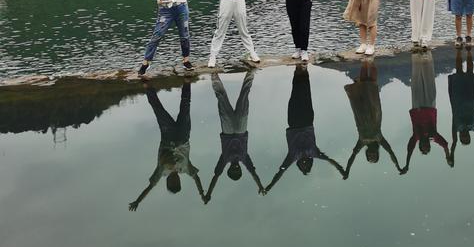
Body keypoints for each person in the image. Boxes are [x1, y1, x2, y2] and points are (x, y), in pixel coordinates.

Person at [264, 65, 345, 192]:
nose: (304, 163)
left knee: (295, 94)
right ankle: (304, 70)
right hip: (307, 120)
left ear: (299, 165)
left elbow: (281, 172)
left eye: (303, 166)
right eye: (307, 165)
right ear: (310, 162)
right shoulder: (314, 153)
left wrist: (269, 186)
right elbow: (330, 160)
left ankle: (298, 71)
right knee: (306, 93)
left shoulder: (293, 156)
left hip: (294, 122)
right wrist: (340, 170)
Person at [128, 82, 205, 210]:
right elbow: (196, 178)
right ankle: (186, 81)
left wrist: (138, 201)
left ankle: (147, 86)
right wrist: (202, 193)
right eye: (177, 182)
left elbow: (150, 187)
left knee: (158, 110)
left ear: (168, 182)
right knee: (186, 106)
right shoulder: (185, 169)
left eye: (172, 183)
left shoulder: (161, 172)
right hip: (183, 135)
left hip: (167, 135)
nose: (175, 180)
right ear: (179, 181)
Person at [205, 72, 264, 200]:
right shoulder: (244, 159)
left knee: (221, 98)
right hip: (241, 129)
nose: (236, 169)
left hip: (228, 130)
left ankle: (214, 75)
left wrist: (209, 193)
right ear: (241, 170)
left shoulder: (225, 159)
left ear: (230, 170)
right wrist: (259, 185)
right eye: (238, 171)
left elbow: (216, 176)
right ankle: (251, 72)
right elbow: (253, 172)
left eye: (234, 171)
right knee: (244, 95)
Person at [343, 60, 402, 177]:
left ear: (367, 155)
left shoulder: (362, 142)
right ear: (377, 154)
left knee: (364, 82)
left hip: (360, 109)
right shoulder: (379, 139)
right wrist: (398, 166)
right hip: (373, 109)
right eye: (374, 157)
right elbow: (390, 152)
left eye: (370, 157)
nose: (371, 156)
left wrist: (347, 170)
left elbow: (352, 156)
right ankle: (371, 61)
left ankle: (365, 62)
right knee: (371, 84)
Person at [402, 51, 451, 172]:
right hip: (430, 107)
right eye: (427, 147)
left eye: (423, 147)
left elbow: (410, 148)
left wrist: (407, 163)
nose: (425, 146)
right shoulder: (433, 136)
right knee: (429, 81)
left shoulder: (416, 136)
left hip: (417, 107)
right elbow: (445, 144)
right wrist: (447, 156)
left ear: (420, 145)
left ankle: (416, 56)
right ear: (429, 145)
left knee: (416, 81)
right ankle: (426, 56)